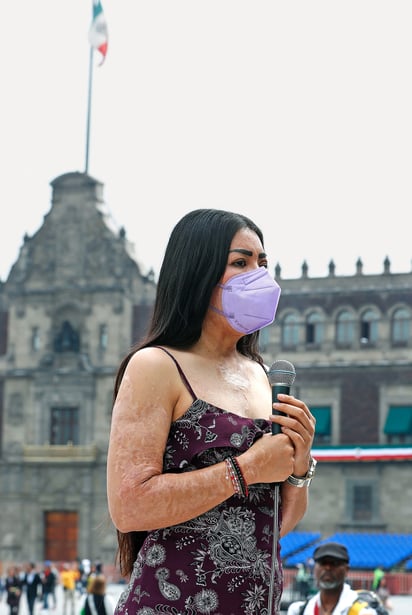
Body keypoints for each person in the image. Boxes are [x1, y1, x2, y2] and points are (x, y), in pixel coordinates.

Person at [107, 208, 317, 614]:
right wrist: (248, 469)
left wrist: (299, 464)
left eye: (263, 264)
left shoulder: (263, 375)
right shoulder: (157, 365)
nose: (259, 276)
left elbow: (275, 525)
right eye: (241, 263)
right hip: (171, 602)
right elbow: (128, 506)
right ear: (198, 271)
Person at [286, 542, 386, 615]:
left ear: (346, 569)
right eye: (323, 563)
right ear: (314, 568)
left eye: (334, 563)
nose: (328, 568)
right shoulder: (299, 610)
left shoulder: (362, 612)